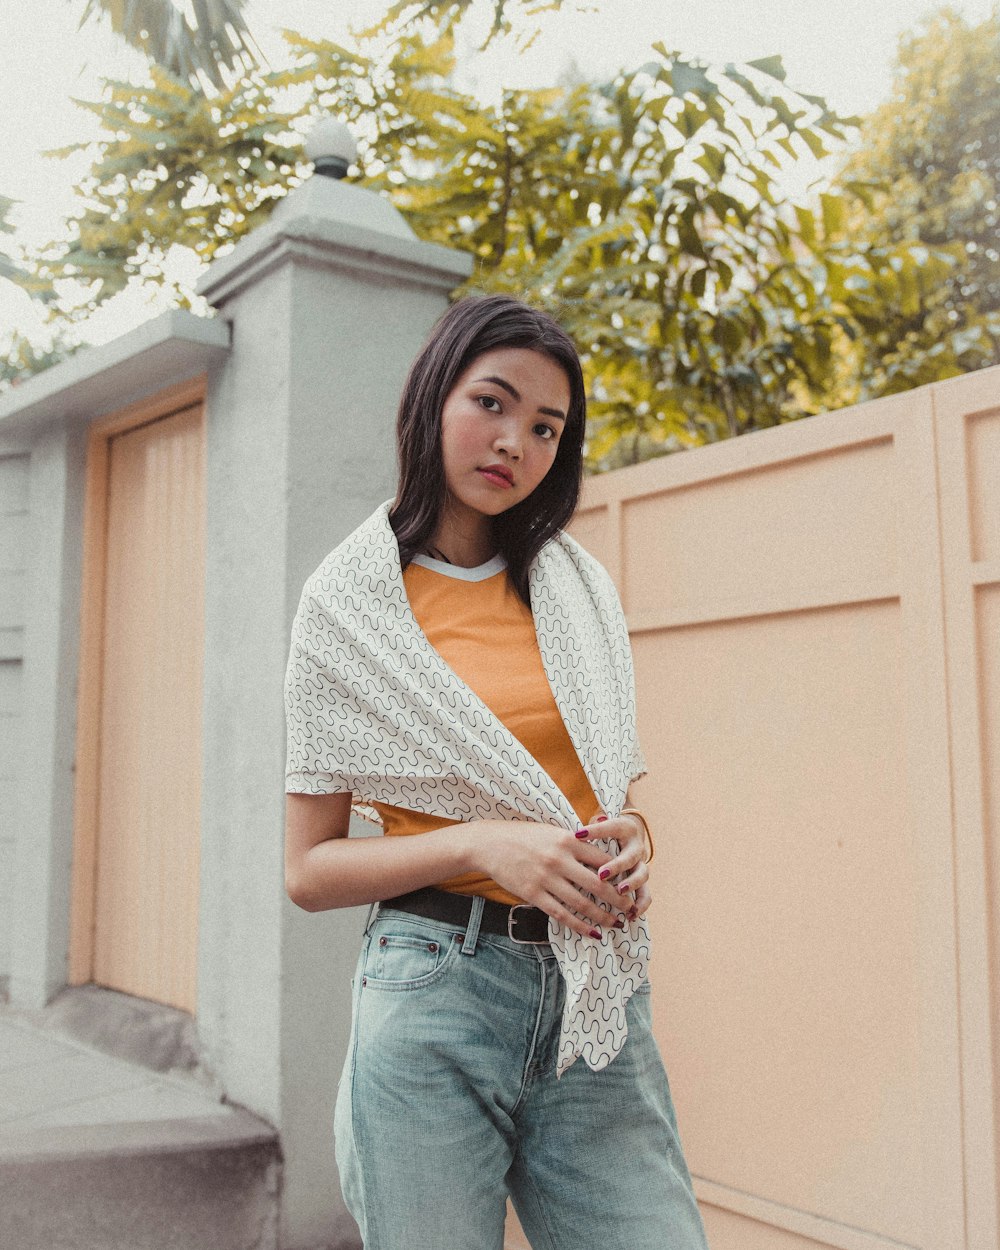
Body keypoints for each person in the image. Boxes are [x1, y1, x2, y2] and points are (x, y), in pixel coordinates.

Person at [283, 294, 709, 1250]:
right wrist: (479, 844)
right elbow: (308, 872)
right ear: (435, 397)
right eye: (492, 402)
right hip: (436, 991)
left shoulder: (578, 589)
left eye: (546, 426)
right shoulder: (347, 608)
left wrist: (635, 838)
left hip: (594, 998)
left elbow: (603, 800)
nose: (514, 440)